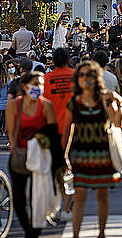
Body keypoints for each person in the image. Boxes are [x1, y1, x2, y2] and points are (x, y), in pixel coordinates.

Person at [64, 61, 122, 238]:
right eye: (82, 75)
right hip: (80, 154)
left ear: (96, 77)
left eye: (89, 75)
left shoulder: (105, 98)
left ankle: (101, 233)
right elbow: (68, 129)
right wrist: (65, 155)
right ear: (77, 79)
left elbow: (118, 123)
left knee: (102, 195)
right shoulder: (74, 101)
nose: (85, 79)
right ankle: (75, 234)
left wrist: (118, 103)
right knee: (80, 195)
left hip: (103, 153)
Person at [5, 71, 57, 238]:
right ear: (25, 86)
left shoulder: (46, 105)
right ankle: (29, 231)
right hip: (20, 156)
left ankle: (35, 232)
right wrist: (15, 151)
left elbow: (52, 133)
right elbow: (11, 131)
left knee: (39, 197)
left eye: (41, 84)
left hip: (40, 157)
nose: (39, 88)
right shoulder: (14, 105)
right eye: (35, 84)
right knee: (19, 199)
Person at [43, 48, 75, 221]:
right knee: (69, 171)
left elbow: (43, 105)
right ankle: (67, 209)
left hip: (52, 130)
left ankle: (53, 207)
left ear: (53, 60)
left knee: (53, 171)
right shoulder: (76, 76)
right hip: (74, 130)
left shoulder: (47, 79)